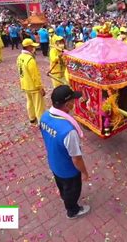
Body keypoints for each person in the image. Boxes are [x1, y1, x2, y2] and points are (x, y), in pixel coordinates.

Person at [39, 85, 90, 219]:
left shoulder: (44, 117)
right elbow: (76, 159)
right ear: (68, 104)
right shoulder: (68, 131)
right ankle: (72, 210)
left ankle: (65, 196)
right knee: (72, 190)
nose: (75, 103)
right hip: (69, 170)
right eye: (73, 101)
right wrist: (84, 172)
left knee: (62, 186)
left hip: (54, 163)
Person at [17, 38, 45, 124]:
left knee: (29, 102)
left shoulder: (19, 57)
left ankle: (32, 118)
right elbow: (35, 76)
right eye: (32, 46)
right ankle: (41, 122)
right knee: (38, 105)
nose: (34, 48)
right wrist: (40, 87)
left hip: (25, 85)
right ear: (28, 47)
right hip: (33, 86)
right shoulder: (30, 60)